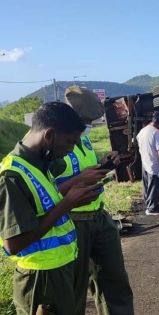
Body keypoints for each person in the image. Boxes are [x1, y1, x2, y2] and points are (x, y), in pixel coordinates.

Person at [0, 102, 101, 315]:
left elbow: (43, 210)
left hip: (58, 268)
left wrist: (72, 198)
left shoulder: (39, 164)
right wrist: (67, 204)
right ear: (49, 135)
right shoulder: (11, 176)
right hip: (40, 278)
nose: (71, 149)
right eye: (69, 142)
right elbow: (13, 244)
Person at [50, 116, 134, 314]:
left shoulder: (84, 139)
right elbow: (43, 192)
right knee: (75, 289)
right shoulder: (53, 142)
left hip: (99, 216)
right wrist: (79, 179)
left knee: (116, 282)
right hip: (72, 222)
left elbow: (87, 168)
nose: (87, 127)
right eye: (86, 121)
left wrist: (104, 164)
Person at [136, 111, 159, 215]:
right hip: (154, 164)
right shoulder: (156, 132)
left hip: (145, 162)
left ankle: (149, 204)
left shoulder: (142, 131)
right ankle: (152, 209)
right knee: (155, 186)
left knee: (147, 186)